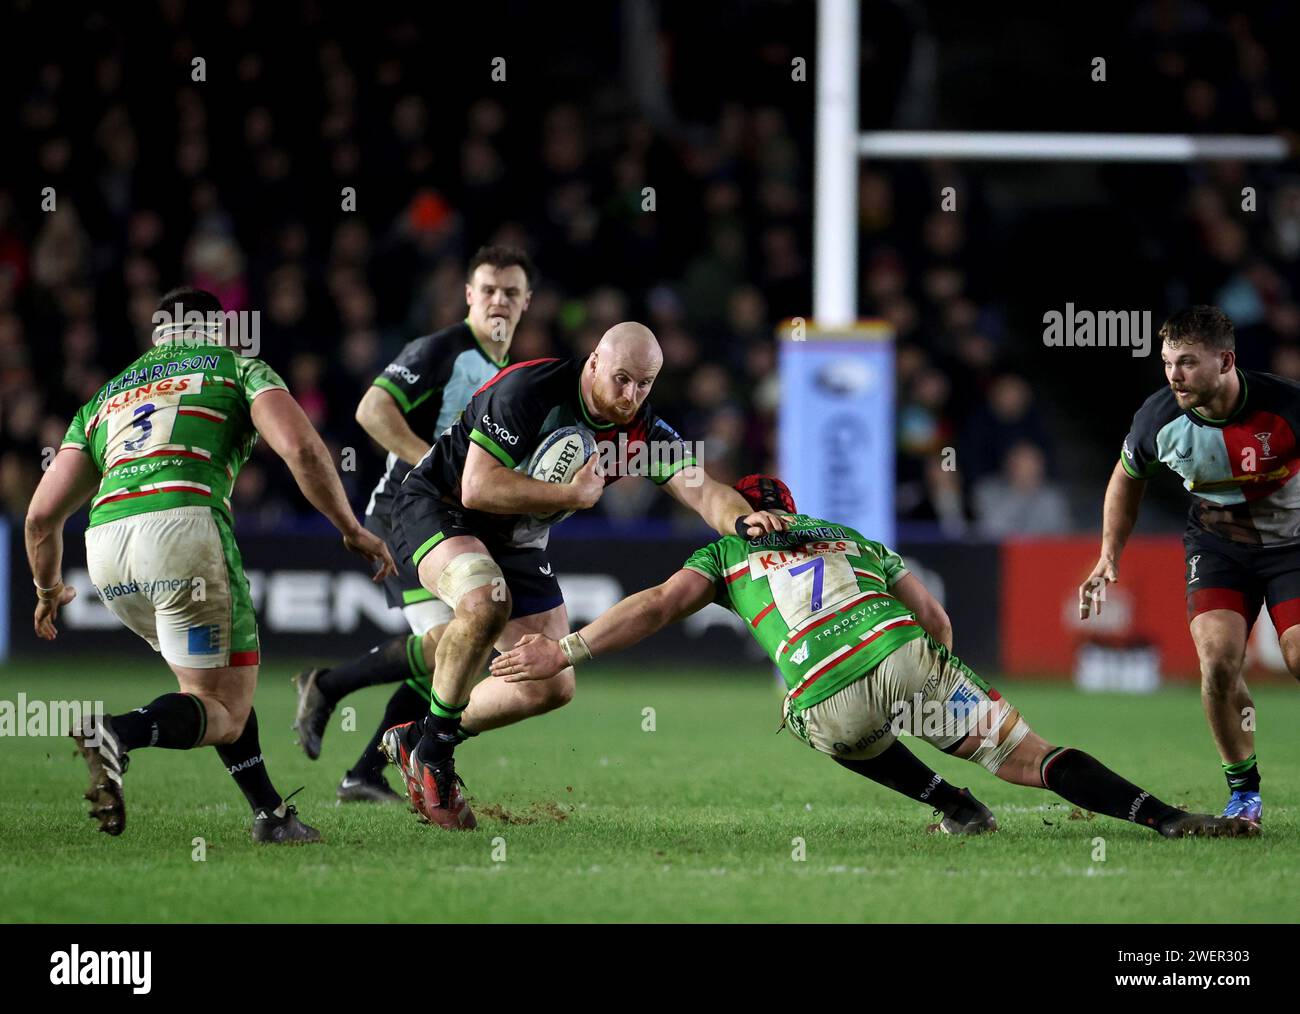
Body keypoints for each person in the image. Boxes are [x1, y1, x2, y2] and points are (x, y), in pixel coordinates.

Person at [491, 474, 1258, 840]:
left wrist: (568, 649)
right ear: (791, 507)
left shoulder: (723, 550)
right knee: (1033, 757)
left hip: (823, 701)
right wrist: (942, 689)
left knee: (812, 717)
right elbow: (935, 616)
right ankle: (1161, 818)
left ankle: (952, 805)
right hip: (900, 657)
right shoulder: (847, 535)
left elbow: (655, 606)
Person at [381, 322, 786, 829]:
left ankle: (420, 735)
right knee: (485, 603)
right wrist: (572, 497)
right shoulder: (530, 390)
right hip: (440, 508)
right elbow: (477, 488)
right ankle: (433, 760)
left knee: (551, 685)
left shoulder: (641, 429)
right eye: (621, 379)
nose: (631, 395)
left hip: (519, 539)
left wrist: (741, 520)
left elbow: (702, 488)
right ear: (593, 361)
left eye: (644, 385)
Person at [25, 287, 395, 842]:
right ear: (218, 330)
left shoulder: (105, 397)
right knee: (222, 707)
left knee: (213, 693)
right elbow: (303, 448)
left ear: (158, 337)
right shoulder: (236, 368)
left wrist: (47, 588)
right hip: (182, 528)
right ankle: (117, 733)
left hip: (104, 549)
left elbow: (39, 517)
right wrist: (349, 527)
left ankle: (270, 816)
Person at [290, 245, 532, 803]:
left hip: (445, 517)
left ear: (526, 302)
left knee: (459, 652)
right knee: (458, 644)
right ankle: (332, 691)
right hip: (406, 510)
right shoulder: (443, 348)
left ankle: (363, 766)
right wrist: (433, 468)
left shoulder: (501, 371)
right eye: (489, 289)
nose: (499, 300)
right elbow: (372, 409)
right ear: (469, 295)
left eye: (510, 292)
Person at [1081, 305, 1299, 828]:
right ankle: (1244, 792)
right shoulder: (1159, 419)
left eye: (1187, 363)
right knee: (1219, 662)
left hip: (1292, 545)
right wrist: (1109, 553)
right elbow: (1124, 480)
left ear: (1226, 361)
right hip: (1219, 549)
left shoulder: (1287, 405)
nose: (1174, 375)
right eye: (1167, 362)